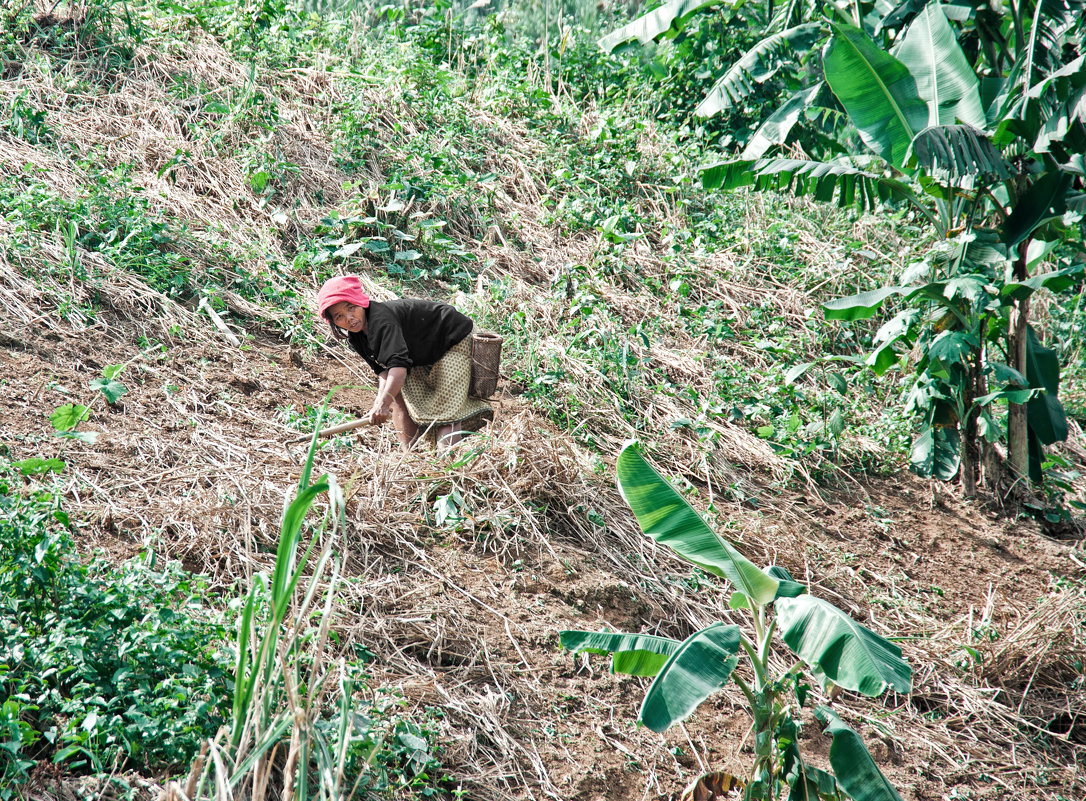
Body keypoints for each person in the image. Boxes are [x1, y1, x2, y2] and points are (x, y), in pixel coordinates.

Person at [316, 275, 493, 451]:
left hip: (452, 338)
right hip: (421, 350)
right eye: (339, 316)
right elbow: (384, 373)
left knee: (446, 408)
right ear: (333, 322)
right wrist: (381, 401)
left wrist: (382, 404)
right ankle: (409, 455)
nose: (349, 318)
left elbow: (399, 371)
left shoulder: (383, 321)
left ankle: (446, 465)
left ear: (361, 302)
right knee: (398, 398)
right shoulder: (356, 338)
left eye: (352, 308)